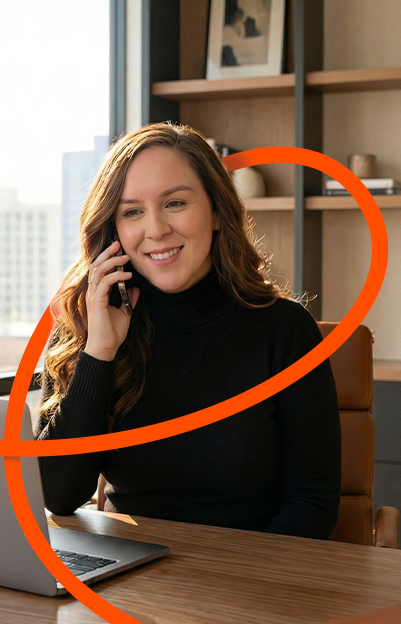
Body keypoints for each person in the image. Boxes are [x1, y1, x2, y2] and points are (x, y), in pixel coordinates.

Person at [35, 122, 341, 540]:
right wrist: (100, 351)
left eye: (175, 203)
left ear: (216, 212)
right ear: (114, 233)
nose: (156, 229)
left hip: (251, 581)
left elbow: (312, 505)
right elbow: (58, 494)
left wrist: (235, 586)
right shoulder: (88, 326)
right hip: (129, 579)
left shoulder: (284, 331)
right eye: (132, 212)